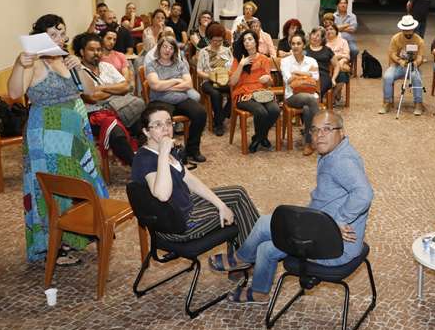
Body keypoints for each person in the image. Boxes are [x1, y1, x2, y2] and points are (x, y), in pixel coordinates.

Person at [210, 110, 373, 304]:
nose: (320, 135)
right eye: (315, 130)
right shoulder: (335, 151)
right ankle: (260, 292)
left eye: (327, 129)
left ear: (342, 132)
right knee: (266, 249)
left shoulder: (341, 161)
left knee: (264, 224)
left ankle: (240, 259)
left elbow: (364, 194)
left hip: (335, 248)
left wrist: (339, 221)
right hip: (323, 234)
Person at [8, 14, 108, 265]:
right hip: (48, 135)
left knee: (79, 181)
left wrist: (78, 68)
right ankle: (50, 245)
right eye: (51, 34)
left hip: (75, 130)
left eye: (61, 33)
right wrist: (20, 64)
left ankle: (76, 234)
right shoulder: (32, 63)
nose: (58, 38)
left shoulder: (68, 59)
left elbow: (90, 91)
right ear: (39, 38)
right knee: (53, 188)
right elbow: (14, 93)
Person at [131, 103, 260, 247]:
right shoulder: (144, 159)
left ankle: (245, 255)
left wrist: (221, 205)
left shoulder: (168, 149)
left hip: (186, 204)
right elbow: (162, 195)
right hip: (177, 224)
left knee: (238, 193)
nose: (166, 128)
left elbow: (190, 180)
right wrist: (163, 154)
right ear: (146, 132)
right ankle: (248, 255)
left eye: (168, 123)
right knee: (237, 211)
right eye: (158, 125)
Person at [74, 33, 138, 168]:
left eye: (99, 49)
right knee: (115, 130)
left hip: (119, 109)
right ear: (82, 52)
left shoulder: (106, 67)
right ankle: (137, 166)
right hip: (92, 115)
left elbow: (126, 87)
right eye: (92, 50)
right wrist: (115, 91)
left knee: (146, 120)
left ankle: (147, 157)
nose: (96, 53)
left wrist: (101, 88)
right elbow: (91, 98)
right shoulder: (78, 72)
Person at [146, 37, 208, 163]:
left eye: (171, 47)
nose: (168, 50)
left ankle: (192, 149)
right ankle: (164, 152)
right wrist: (176, 80)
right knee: (162, 120)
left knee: (200, 113)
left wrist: (165, 85)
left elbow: (189, 85)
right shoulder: (152, 65)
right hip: (160, 100)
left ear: (175, 50)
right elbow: (155, 86)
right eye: (165, 46)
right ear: (159, 48)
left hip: (181, 98)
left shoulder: (180, 64)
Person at [228, 30, 281, 153]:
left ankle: (257, 138)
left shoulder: (264, 59)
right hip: (243, 93)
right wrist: (241, 65)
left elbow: (269, 82)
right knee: (260, 111)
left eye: (250, 39)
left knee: (275, 110)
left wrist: (267, 79)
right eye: (245, 40)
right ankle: (262, 138)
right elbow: (232, 82)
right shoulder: (239, 59)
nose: (247, 42)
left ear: (256, 42)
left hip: (261, 92)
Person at [280, 31, 321, 156]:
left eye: (298, 43)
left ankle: (308, 142)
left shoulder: (312, 60)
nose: (295, 46)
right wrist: (307, 74)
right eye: (293, 44)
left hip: (310, 95)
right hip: (292, 96)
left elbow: (316, 77)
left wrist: (297, 74)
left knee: (308, 108)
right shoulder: (285, 61)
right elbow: (288, 79)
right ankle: (318, 136)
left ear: (304, 45)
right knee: (311, 100)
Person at [380, 15, 425, 116]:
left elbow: (420, 57)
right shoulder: (395, 39)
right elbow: (392, 53)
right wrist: (399, 61)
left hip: (413, 67)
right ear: (402, 29)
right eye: (405, 30)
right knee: (387, 77)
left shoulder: (419, 41)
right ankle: (387, 102)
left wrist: (416, 63)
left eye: (410, 29)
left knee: (416, 77)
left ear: (413, 28)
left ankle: (418, 103)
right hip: (397, 66)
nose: (408, 32)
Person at [196, 23, 233, 136]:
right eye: (214, 40)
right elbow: (199, 71)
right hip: (208, 81)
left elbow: (231, 68)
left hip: (225, 80)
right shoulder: (204, 52)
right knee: (215, 93)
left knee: (235, 90)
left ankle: (220, 117)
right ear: (209, 39)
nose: (217, 43)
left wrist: (227, 75)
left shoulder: (227, 51)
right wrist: (210, 76)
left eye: (220, 41)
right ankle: (218, 124)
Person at [306, 26, 340, 100]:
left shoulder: (327, 50)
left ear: (322, 39)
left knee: (317, 90)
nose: (314, 37)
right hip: (308, 75)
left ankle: (315, 103)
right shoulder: (305, 49)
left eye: (318, 35)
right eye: (313, 34)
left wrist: (333, 78)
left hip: (323, 76)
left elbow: (337, 65)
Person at [324, 22, 351, 107]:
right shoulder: (323, 42)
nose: (329, 31)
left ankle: (332, 98)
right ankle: (335, 95)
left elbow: (347, 55)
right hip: (327, 67)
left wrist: (341, 61)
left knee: (343, 77)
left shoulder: (343, 41)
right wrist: (337, 56)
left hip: (340, 65)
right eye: (327, 29)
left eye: (331, 29)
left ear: (336, 30)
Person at [334, 0, 359, 73]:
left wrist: (339, 28)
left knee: (354, 50)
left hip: (349, 40)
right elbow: (333, 29)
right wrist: (346, 25)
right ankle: (338, 65)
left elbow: (353, 29)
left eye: (345, 3)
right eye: (341, 3)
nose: (343, 5)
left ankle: (346, 63)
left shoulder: (352, 16)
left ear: (347, 5)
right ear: (337, 5)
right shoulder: (333, 16)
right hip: (336, 41)